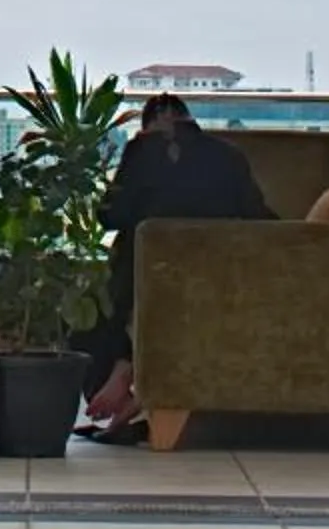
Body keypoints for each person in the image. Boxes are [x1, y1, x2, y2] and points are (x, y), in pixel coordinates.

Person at [80, 93, 272, 443]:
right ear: (188, 118)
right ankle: (130, 378)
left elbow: (109, 216)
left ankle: (123, 382)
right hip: (215, 277)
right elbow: (258, 217)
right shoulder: (228, 154)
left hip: (139, 278)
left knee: (99, 305)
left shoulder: (140, 152)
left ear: (148, 124)